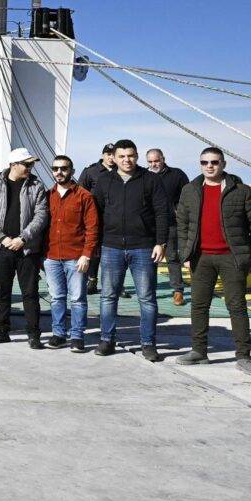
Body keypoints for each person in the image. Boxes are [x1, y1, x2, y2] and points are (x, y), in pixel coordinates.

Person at [175, 148, 251, 376]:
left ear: (223, 163)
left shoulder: (242, 191)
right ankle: (199, 351)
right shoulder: (190, 190)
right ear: (200, 163)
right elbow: (182, 224)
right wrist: (185, 254)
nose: (209, 166)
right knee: (199, 305)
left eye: (214, 162)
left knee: (236, 306)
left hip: (231, 257)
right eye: (204, 162)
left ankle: (243, 357)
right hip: (201, 257)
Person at [91, 138, 168, 360]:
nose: (127, 160)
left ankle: (148, 344)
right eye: (122, 156)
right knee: (108, 296)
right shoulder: (104, 181)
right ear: (113, 158)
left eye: (131, 155)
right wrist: (96, 244)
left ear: (137, 156)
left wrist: (160, 242)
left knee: (146, 297)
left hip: (143, 247)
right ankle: (107, 340)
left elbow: (162, 212)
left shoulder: (150, 180)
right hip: (111, 246)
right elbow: (96, 213)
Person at [0, 148, 50, 348]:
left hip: (26, 248)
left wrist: (23, 238)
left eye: (31, 164)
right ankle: (1, 330)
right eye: (27, 164)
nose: (31, 167)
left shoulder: (36, 185)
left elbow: (41, 215)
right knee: (2, 291)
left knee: (30, 292)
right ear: (13, 165)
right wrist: (1, 238)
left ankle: (34, 334)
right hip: (0, 247)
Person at [43, 155, 99, 352]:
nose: (59, 172)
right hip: (51, 256)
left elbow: (92, 229)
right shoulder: (47, 195)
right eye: (56, 168)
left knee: (77, 299)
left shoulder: (84, 196)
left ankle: (77, 336)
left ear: (72, 171)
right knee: (57, 297)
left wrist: (86, 255)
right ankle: (58, 334)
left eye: (64, 168)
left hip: (76, 257)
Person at [147, 148, 190, 306]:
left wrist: (182, 215)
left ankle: (178, 291)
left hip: (171, 223)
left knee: (172, 257)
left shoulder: (177, 175)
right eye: (150, 162)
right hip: (150, 226)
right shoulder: (144, 176)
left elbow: (188, 197)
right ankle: (149, 292)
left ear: (163, 159)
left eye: (156, 160)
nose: (153, 164)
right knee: (151, 259)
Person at [78, 142, 115, 294]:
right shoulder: (91, 172)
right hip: (95, 217)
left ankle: (116, 285)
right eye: (108, 154)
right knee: (93, 250)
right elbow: (80, 193)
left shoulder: (122, 171)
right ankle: (91, 280)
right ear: (103, 155)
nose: (111, 158)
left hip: (115, 218)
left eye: (113, 154)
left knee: (114, 252)